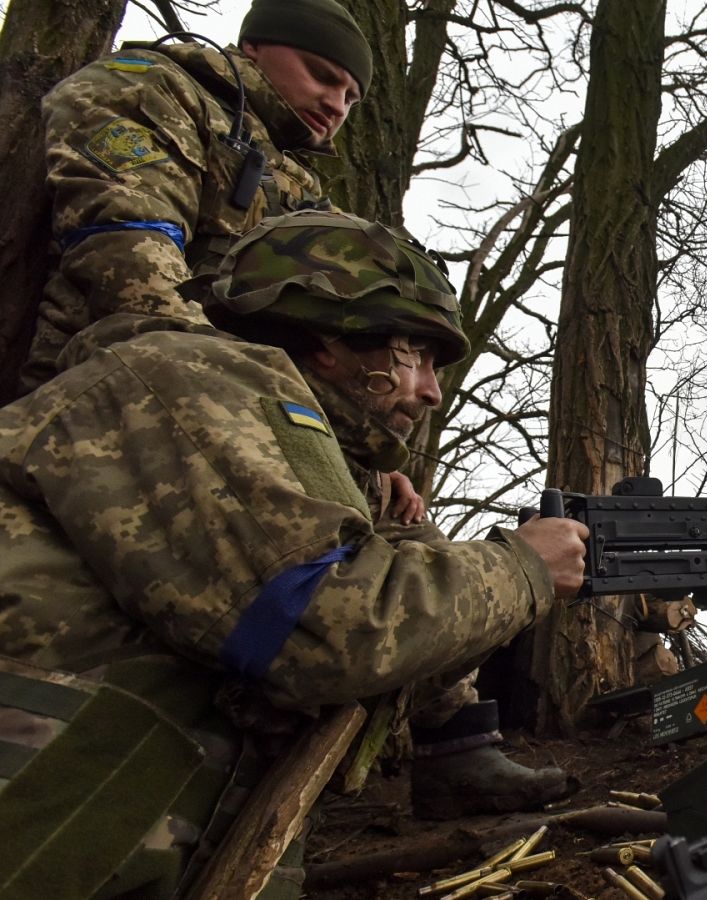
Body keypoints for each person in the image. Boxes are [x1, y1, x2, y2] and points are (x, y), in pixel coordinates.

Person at [0, 210, 588, 897]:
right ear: (331, 336)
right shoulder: (188, 379)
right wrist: (518, 568)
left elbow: (388, 666)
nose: (430, 390)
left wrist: (442, 565)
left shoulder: (309, 452)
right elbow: (322, 629)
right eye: (416, 355)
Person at [20, 0, 367, 394]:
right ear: (254, 45)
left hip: (225, 402)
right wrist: (246, 388)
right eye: (322, 76)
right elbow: (128, 257)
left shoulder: (301, 189)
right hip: (97, 394)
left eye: (351, 99)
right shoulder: (151, 88)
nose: (336, 106)